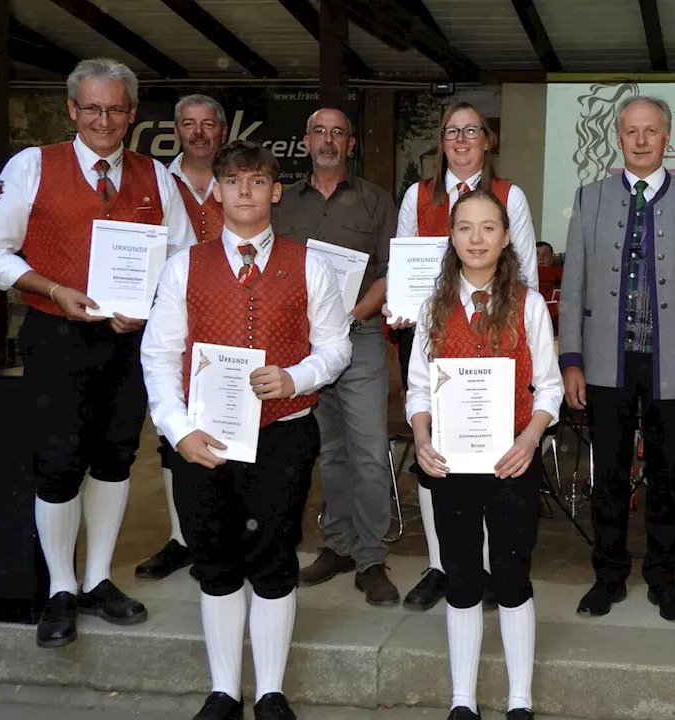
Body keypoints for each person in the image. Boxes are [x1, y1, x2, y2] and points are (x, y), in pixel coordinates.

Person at [0, 57, 194, 649]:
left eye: (116, 109)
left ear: (131, 114)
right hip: (56, 331)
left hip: (130, 339)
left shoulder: (157, 177)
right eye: (92, 108)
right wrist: (52, 289)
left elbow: (185, 258)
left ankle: (97, 579)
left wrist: (149, 304)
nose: (104, 120)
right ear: (72, 110)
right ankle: (60, 589)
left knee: (117, 457)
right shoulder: (30, 167)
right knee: (59, 460)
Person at [141, 140, 351, 720]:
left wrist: (296, 376)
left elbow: (334, 347)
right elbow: (159, 356)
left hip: (283, 430)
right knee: (215, 558)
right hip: (202, 437)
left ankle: (271, 691)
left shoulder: (310, 264)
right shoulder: (184, 266)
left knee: (274, 556)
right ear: (220, 190)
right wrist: (178, 430)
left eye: (257, 181)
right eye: (232, 181)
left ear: (275, 191)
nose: (244, 191)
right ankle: (224, 690)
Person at [559, 95, 675, 622]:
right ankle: (608, 576)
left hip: (673, 367)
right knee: (606, 474)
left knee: (668, 474)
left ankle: (663, 576)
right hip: (607, 362)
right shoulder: (590, 199)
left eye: (651, 130)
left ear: (667, 136)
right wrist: (571, 360)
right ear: (618, 136)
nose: (641, 140)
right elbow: (574, 282)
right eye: (631, 131)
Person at [407, 189, 561, 720]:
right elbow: (418, 390)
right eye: (465, 228)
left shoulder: (529, 304)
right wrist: (422, 439)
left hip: (511, 462)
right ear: (451, 238)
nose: (476, 238)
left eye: (488, 227)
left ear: (506, 236)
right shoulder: (433, 306)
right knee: (462, 575)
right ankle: (463, 700)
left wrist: (529, 438)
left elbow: (550, 388)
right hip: (450, 465)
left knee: (512, 575)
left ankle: (520, 700)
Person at [391, 102, 540, 612]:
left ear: (486, 140)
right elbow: (405, 267)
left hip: (499, 337)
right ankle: (442, 566)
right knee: (440, 455)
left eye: (470, 131)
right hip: (434, 334)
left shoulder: (510, 195)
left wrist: (505, 320)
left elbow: (525, 278)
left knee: (490, 462)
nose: (460, 140)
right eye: (451, 131)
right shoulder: (416, 194)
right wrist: (406, 309)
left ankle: (496, 570)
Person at [273, 107, 400, 605]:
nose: (328, 140)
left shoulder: (375, 202)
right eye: (319, 132)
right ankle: (339, 545)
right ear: (306, 141)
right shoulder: (282, 204)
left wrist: (354, 316)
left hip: (360, 336)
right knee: (331, 451)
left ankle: (371, 557)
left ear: (351, 144)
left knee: (369, 450)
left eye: (338, 133)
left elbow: (392, 268)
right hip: (303, 346)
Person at [137, 92, 229, 582]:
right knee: (173, 433)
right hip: (169, 322)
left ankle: (221, 531)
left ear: (222, 132)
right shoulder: (154, 181)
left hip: (228, 325)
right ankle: (182, 536)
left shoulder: (238, 181)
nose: (198, 132)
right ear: (177, 129)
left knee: (226, 422)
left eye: (208, 124)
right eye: (189, 123)